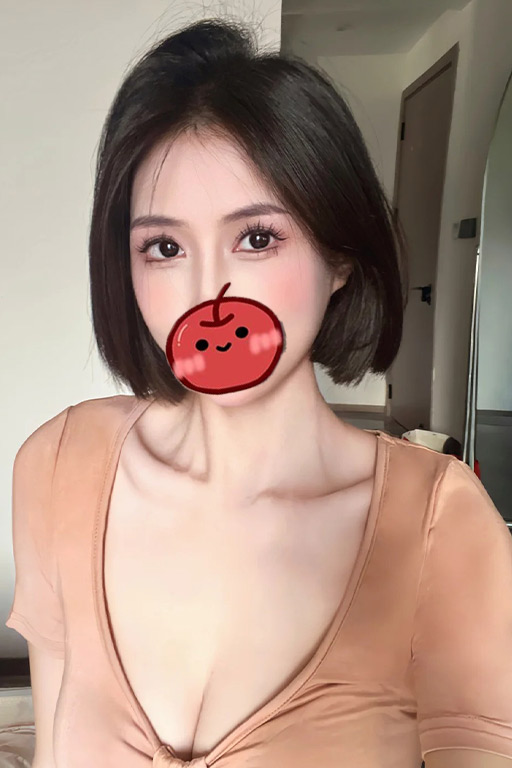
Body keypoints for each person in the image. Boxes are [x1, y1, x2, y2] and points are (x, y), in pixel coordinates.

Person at [6, 16, 512, 768]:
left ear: (340, 257)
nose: (208, 294)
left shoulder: (444, 523)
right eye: (164, 247)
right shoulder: (57, 466)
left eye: (257, 238)